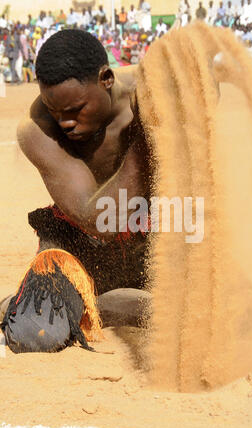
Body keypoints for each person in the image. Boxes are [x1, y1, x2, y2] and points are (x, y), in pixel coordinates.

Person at [4, 30, 152, 354]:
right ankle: (40, 300)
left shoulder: (151, 92)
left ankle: (99, 305)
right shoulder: (36, 130)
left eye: (76, 109)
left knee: (233, 311)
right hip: (79, 247)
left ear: (106, 79)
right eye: (55, 111)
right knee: (36, 332)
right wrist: (148, 139)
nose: (66, 123)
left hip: (152, 239)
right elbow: (98, 220)